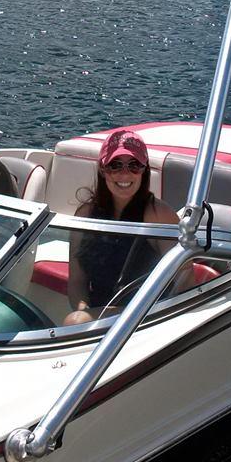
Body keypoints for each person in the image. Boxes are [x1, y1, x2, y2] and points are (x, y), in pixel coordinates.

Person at [64, 129, 182, 326]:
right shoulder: (85, 215)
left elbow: (183, 280)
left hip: (147, 317)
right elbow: (77, 281)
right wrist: (85, 314)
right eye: (115, 165)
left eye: (134, 165)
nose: (124, 173)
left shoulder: (158, 215)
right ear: (103, 169)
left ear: (144, 170)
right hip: (98, 315)